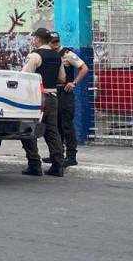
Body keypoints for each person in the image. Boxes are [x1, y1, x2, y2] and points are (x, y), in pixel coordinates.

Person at [20, 27, 65, 177]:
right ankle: (58, 165)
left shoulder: (35, 55)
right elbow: (62, 79)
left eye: (34, 38)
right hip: (52, 97)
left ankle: (34, 164)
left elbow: (24, 76)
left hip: (36, 98)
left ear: (38, 39)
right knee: (52, 131)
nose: (33, 40)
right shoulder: (57, 56)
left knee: (28, 129)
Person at [43, 32, 89, 167]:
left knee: (66, 125)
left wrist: (73, 82)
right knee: (55, 125)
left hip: (65, 93)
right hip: (53, 92)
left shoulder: (67, 54)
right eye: (53, 41)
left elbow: (84, 68)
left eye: (57, 41)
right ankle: (57, 154)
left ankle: (71, 156)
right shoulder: (48, 55)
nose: (55, 43)